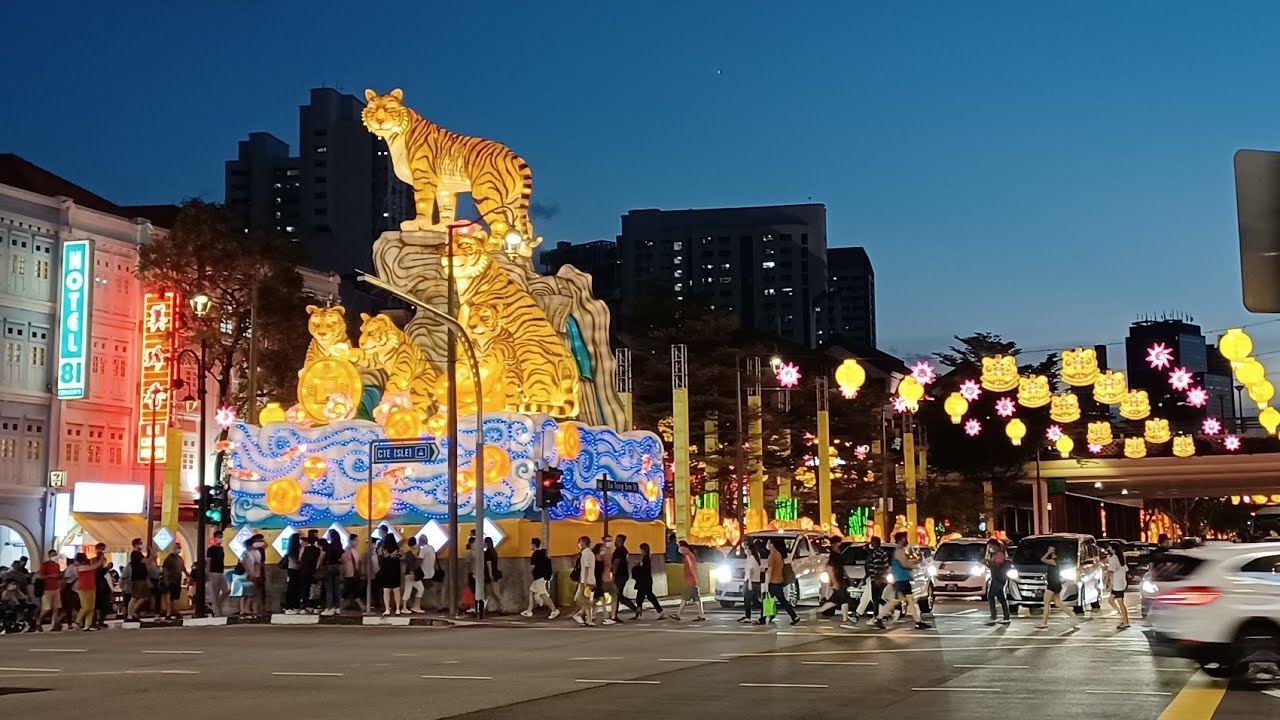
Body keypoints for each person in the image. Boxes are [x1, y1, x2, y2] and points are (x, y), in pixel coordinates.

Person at [873, 532, 931, 630]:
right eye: (904, 538)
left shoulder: (901, 551)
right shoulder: (898, 551)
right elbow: (904, 564)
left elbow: (906, 562)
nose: (906, 540)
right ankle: (918, 622)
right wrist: (914, 565)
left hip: (902, 579)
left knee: (897, 601)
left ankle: (879, 618)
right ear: (900, 539)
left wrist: (913, 563)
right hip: (901, 580)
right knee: (908, 601)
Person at [1036, 545, 1079, 630]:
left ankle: (1044, 623)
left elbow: (1042, 559)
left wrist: (1049, 552)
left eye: (1049, 549)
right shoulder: (1055, 560)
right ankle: (1072, 615)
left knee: (1046, 602)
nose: (1047, 550)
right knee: (1058, 603)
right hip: (1055, 583)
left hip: (1053, 584)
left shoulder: (1055, 560)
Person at [759, 537, 800, 626]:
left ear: (771, 545)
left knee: (768, 599)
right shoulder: (778, 554)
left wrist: (766, 583)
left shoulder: (772, 555)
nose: (767, 545)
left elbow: (770, 570)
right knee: (778, 600)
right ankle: (792, 616)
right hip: (779, 580)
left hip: (773, 582)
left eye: (768, 543)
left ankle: (764, 618)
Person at [667, 541, 707, 622]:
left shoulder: (688, 556)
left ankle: (678, 614)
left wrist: (696, 579)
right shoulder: (689, 555)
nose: (679, 549)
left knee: (685, 598)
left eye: (680, 547)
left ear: (685, 547)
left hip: (690, 581)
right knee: (696, 599)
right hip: (692, 580)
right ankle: (701, 615)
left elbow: (692, 568)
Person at [853, 536, 889, 623]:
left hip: (875, 579)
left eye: (872, 542)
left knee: (875, 598)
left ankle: (878, 616)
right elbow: (886, 566)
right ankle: (858, 614)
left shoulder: (874, 554)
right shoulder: (883, 553)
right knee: (871, 597)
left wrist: (866, 579)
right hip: (879, 579)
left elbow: (871, 569)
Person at [817, 540, 853, 624]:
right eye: (838, 543)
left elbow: (841, 568)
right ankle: (845, 618)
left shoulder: (838, 556)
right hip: (838, 580)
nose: (839, 546)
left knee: (836, 600)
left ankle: (820, 610)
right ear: (834, 545)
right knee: (844, 599)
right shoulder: (833, 556)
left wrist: (848, 577)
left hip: (841, 579)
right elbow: (829, 569)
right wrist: (834, 582)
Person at [522, 537, 557, 619]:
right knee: (531, 592)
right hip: (540, 577)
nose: (530, 546)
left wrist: (528, 573)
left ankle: (554, 610)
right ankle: (529, 610)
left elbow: (532, 567)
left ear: (534, 545)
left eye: (530, 544)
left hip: (538, 578)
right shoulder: (542, 554)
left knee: (543, 594)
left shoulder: (535, 554)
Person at [631, 542, 664, 619]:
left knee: (643, 596)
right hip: (646, 580)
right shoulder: (645, 558)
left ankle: (639, 612)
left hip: (644, 581)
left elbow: (644, 570)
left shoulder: (646, 559)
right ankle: (658, 611)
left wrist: (637, 567)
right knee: (646, 596)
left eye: (641, 550)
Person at [74, 553, 105, 631]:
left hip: (91, 587)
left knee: (91, 607)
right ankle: (78, 620)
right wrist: (100, 561)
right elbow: (93, 567)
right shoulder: (79, 567)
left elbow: (94, 567)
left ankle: (88, 625)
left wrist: (98, 561)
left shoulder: (89, 566)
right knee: (85, 606)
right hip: (83, 588)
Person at [984, 538, 1011, 625]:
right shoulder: (996, 553)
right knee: (1001, 598)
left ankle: (993, 616)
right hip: (997, 578)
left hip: (998, 578)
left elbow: (998, 565)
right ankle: (1006, 617)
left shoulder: (999, 553)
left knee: (991, 596)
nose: (990, 548)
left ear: (995, 545)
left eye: (991, 546)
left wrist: (988, 562)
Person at [611, 534, 638, 620]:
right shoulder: (624, 550)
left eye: (616, 539)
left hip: (619, 575)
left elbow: (616, 563)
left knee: (617, 595)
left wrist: (613, 575)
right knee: (618, 595)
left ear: (620, 540)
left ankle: (615, 614)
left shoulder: (619, 551)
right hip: (624, 574)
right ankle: (614, 614)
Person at [571, 535, 596, 626]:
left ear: (583, 543)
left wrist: (584, 580)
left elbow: (586, 567)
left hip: (586, 580)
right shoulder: (590, 553)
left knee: (582, 599)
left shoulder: (585, 553)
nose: (579, 544)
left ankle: (582, 615)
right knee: (586, 600)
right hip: (590, 579)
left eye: (580, 542)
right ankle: (586, 617)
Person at [739, 540, 766, 624]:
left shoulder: (751, 558)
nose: (745, 551)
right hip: (756, 581)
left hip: (750, 581)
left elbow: (751, 571)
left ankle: (748, 616)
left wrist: (749, 583)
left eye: (746, 549)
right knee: (755, 600)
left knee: (747, 600)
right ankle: (764, 613)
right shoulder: (756, 556)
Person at [1105, 542, 1131, 630]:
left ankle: (1125, 621)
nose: (1108, 548)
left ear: (1113, 548)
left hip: (1117, 583)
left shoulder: (1114, 558)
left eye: (1109, 547)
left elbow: (1110, 570)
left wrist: (1106, 581)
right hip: (1120, 582)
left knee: (1120, 602)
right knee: (1111, 600)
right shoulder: (1121, 557)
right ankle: (1121, 616)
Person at [376, 535, 403, 616]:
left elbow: (378, 556)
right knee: (396, 591)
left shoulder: (382, 550)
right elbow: (403, 556)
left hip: (386, 572)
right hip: (395, 572)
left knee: (386, 591)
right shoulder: (398, 550)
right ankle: (398, 609)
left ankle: (387, 609)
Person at [37, 550, 63, 631]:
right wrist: (51, 576)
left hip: (56, 588)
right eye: (53, 555)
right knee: (46, 608)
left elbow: (58, 575)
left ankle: (54, 624)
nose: (55, 556)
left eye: (55, 554)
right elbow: (40, 576)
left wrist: (59, 576)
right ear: (49, 556)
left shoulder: (57, 565)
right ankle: (38, 621)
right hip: (47, 589)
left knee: (56, 608)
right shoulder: (44, 565)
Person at [161, 545, 188, 619]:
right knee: (170, 597)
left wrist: (188, 576)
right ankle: (168, 613)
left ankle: (173, 611)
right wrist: (166, 581)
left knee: (175, 598)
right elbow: (165, 571)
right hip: (171, 580)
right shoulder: (169, 559)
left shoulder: (179, 559)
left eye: (180, 548)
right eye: (177, 548)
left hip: (177, 580)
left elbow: (183, 568)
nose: (178, 550)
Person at [125, 538, 149, 621]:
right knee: (134, 597)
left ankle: (133, 612)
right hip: (137, 579)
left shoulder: (139, 553)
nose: (141, 545)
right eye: (140, 543)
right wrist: (152, 555)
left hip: (142, 578)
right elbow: (145, 561)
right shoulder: (135, 554)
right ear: (135, 545)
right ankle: (129, 615)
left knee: (143, 597)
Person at [321, 530, 343, 616]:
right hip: (337, 567)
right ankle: (337, 608)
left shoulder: (327, 547)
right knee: (337, 589)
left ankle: (330, 608)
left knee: (329, 589)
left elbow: (321, 557)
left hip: (329, 567)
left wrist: (318, 566)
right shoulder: (340, 547)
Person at [206, 530, 228, 617]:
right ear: (215, 538)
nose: (220, 539)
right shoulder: (211, 549)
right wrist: (208, 573)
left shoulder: (221, 549)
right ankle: (217, 611)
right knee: (214, 593)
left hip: (221, 572)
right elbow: (208, 561)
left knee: (225, 591)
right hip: (213, 572)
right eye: (219, 537)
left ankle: (217, 605)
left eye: (221, 537)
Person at [401, 536, 425, 614]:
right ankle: (412, 607)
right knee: (417, 589)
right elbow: (411, 564)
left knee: (409, 590)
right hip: (411, 574)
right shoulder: (413, 553)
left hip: (409, 574)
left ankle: (411, 607)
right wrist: (412, 573)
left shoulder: (409, 553)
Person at [341, 533, 364, 612]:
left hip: (355, 573)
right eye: (356, 540)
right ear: (351, 541)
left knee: (353, 590)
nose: (358, 542)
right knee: (349, 590)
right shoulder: (346, 550)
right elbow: (344, 562)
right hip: (349, 573)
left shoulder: (355, 550)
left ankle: (358, 605)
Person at [299, 534, 322, 614]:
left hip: (304, 571)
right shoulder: (317, 550)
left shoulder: (304, 549)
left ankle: (303, 607)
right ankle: (314, 606)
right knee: (314, 590)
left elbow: (300, 559)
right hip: (313, 572)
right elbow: (318, 561)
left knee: (305, 589)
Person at [283, 533, 303, 614]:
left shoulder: (294, 549)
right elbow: (297, 561)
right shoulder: (293, 550)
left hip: (295, 570)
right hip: (293, 570)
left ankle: (295, 606)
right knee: (292, 589)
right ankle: (289, 606)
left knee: (296, 589)